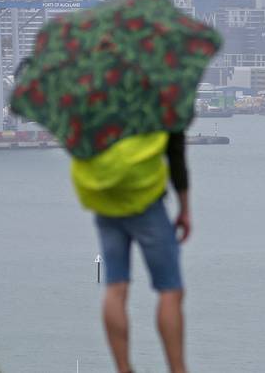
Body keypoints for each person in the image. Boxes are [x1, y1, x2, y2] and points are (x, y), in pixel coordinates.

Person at [74, 130, 192, 373]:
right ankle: (178, 369)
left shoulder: (98, 93)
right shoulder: (157, 98)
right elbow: (175, 152)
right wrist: (184, 207)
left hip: (106, 195)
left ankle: (123, 368)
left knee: (115, 287)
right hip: (146, 197)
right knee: (169, 290)